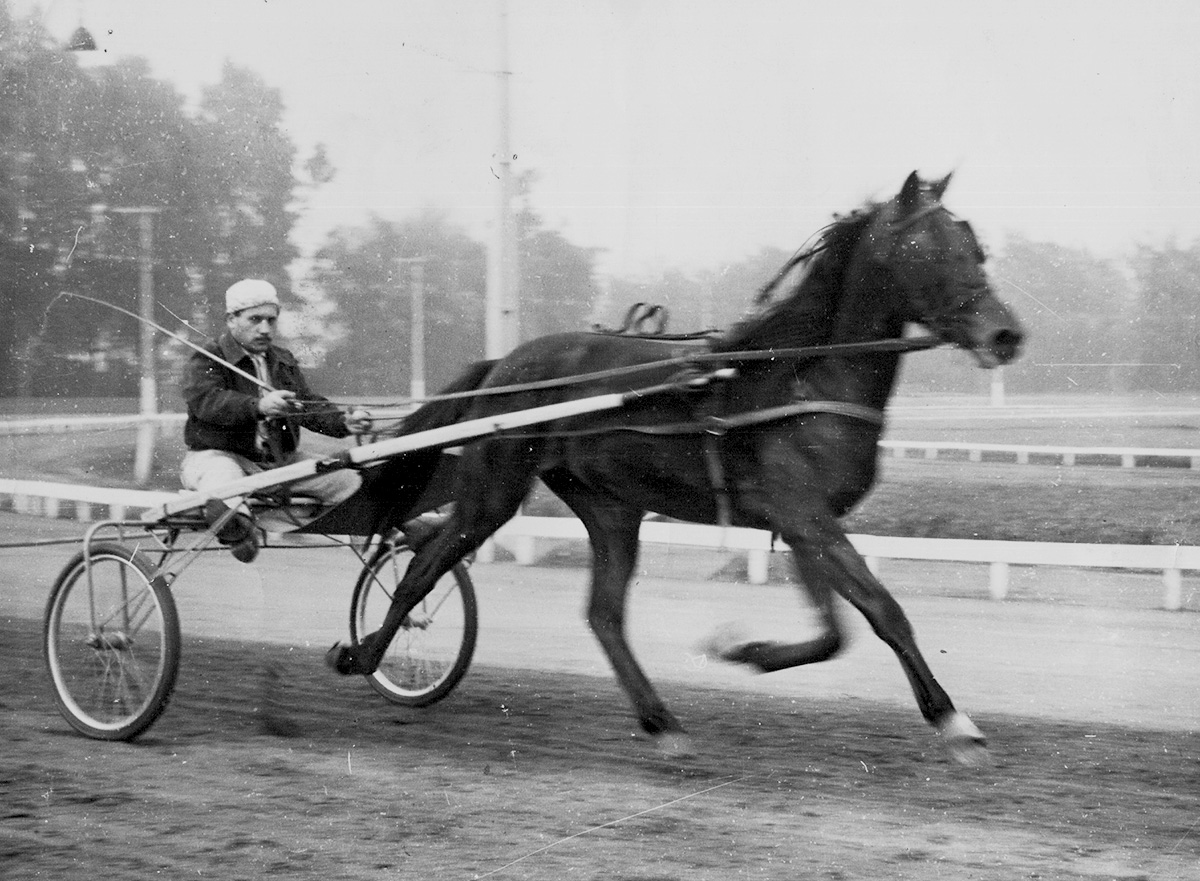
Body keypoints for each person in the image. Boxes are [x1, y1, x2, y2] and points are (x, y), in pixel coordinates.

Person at [181, 279, 371, 562]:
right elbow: (207, 402)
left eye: (271, 320)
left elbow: (307, 405)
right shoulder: (208, 358)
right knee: (223, 478)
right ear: (231, 319)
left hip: (281, 463)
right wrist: (259, 406)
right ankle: (238, 531)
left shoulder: (282, 361)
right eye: (255, 319)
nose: (265, 329)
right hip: (221, 456)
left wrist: (345, 422)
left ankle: (369, 547)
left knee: (349, 481)